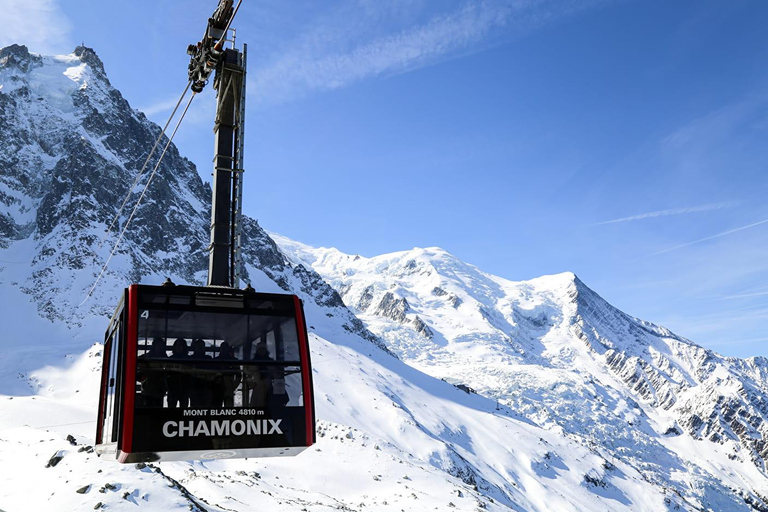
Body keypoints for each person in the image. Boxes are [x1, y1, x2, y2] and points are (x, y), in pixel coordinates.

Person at [138, 338, 166, 407]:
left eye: (161, 345)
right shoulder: (147, 357)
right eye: (158, 345)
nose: (159, 347)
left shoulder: (164, 357)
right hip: (148, 389)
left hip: (158, 390)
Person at [212, 341, 241, 408]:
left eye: (225, 348)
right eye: (223, 348)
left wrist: (233, 386)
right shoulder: (233, 361)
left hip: (226, 388)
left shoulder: (215, 361)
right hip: (217, 388)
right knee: (217, 408)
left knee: (228, 409)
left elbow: (238, 375)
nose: (224, 350)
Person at [188, 338, 213, 407]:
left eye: (201, 346)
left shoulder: (191, 359)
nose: (199, 348)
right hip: (201, 386)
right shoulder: (208, 358)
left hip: (200, 386)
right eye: (199, 346)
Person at [166, 338, 190, 408]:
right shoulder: (170, 360)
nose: (179, 347)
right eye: (177, 346)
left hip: (184, 389)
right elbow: (166, 374)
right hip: (172, 389)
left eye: (180, 345)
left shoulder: (171, 359)